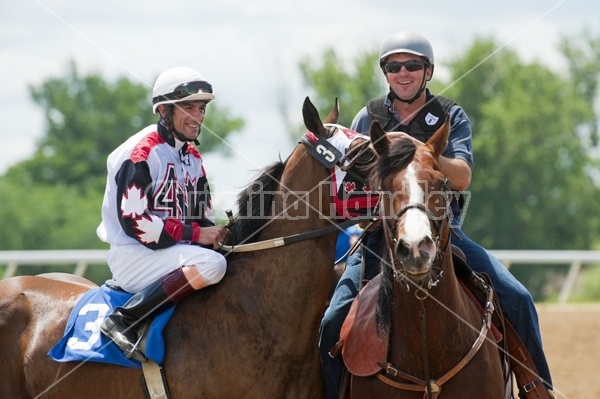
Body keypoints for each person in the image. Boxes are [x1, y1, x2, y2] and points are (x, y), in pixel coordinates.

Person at [319, 31, 556, 398]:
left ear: (427, 72)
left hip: (445, 235)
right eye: (393, 66)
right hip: (381, 236)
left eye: (412, 65)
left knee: (518, 297)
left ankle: (539, 389)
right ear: (385, 72)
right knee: (333, 319)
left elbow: (461, 177)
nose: (403, 72)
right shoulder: (368, 118)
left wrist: (419, 153)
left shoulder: (450, 115)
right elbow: (353, 187)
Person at [97, 66, 228, 359]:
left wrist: (221, 234)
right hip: (134, 256)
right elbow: (137, 223)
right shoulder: (141, 153)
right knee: (213, 266)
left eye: (202, 108)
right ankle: (125, 319)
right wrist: (196, 234)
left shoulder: (192, 156)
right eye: (188, 108)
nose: (198, 117)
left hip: (172, 253)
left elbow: (202, 217)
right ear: (163, 110)